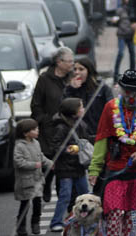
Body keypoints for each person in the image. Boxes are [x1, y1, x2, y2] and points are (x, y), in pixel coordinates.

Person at [87, 70, 136, 236]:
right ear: (120, 89)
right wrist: (94, 169)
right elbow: (102, 139)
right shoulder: (110, 107)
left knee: (131, 222)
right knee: (113, 215)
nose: (131, 96)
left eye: (135, 93)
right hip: (115, 171)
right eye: (127, 91)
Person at [31, 46, 73, 202]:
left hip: (68, 127)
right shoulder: (44, 79)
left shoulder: (72, 78)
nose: (71, 64)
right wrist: (44, 120)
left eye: (72, 61)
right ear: (58, 62)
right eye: (68, 61)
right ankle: (47, 185)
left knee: (64, 160)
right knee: (49, 161)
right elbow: (36, 104)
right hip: (48, 128)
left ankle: (63, 194)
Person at [48, 98, 90, 232]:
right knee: (65, 195)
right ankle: (56, 221)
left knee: (85, 194)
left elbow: (86, 139)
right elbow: (54, 147)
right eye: (81, 107)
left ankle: (86, 217)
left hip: (79, 166)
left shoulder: (81, 124)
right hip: (65, 167)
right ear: (73, 111)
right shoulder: (61, 127)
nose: (83, 109)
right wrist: (70, 149)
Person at [13, 119, 51, 236]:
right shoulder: (19, 146)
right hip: (25, 182)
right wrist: (33, 165)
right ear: (25, 133)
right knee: (25, 205)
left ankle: (35, 223)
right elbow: (18, 162)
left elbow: (41, 156)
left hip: (37, 180)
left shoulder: (36, 143)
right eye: (34, 129)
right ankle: (21, 227)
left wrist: (49, 163)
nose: (37, 131)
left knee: (37, 204)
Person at [63, 58, 113, 142]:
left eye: (81, 69)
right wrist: (71, 89)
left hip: (99, 133)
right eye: (75, 69)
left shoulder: (102, 88)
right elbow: (64, 108)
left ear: (89, 71)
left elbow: (112, 108)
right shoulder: (71, 88)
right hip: (80, 136)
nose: (77, 72)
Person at [114, 0, 136, 82]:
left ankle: (132, 75)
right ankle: (115, 75)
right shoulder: (120, 10)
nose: (128, 0)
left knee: (132, 55)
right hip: (122, 35)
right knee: (120, 53)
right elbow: (115, 20)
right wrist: (114, 21)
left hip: (131, 35)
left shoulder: (133, 10)